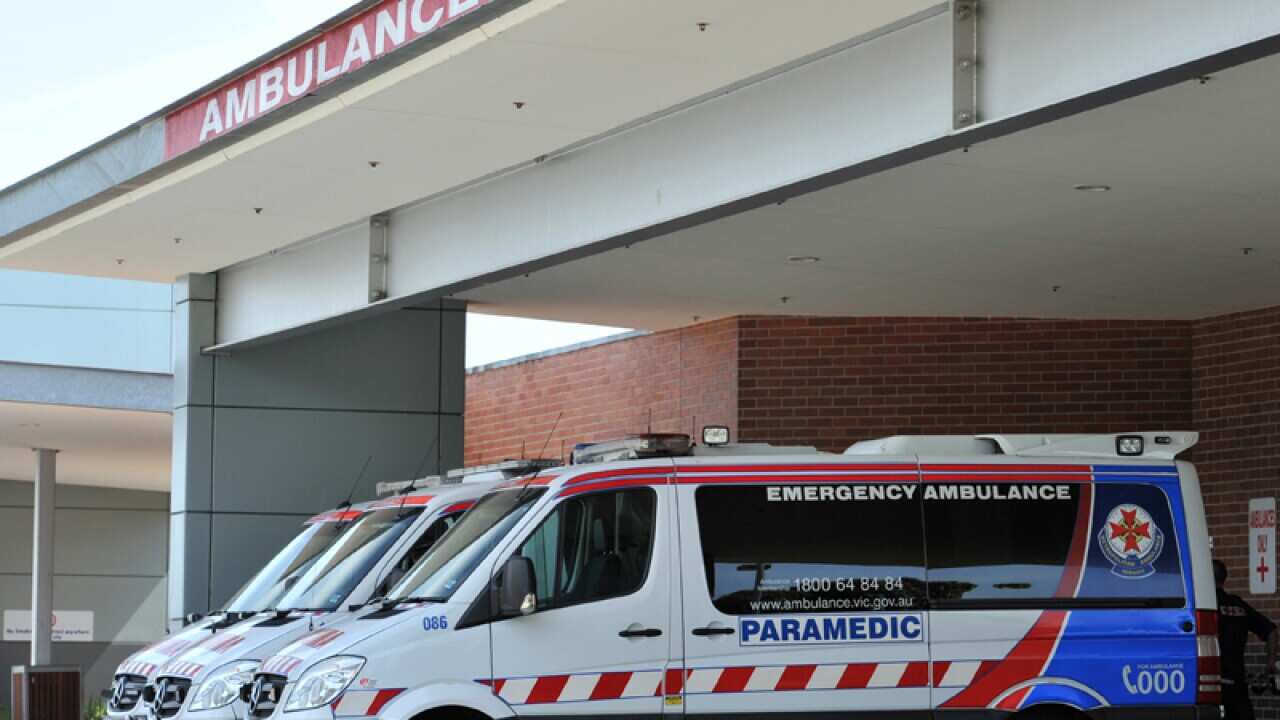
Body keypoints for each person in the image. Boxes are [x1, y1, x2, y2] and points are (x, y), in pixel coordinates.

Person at [1216, 559, 1278, 720]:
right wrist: (1270, 664)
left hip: (1214, 689)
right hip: (1238, 689)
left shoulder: (1204, 605)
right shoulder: (1238, 605)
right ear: (1224, 579)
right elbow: (1270, 630)